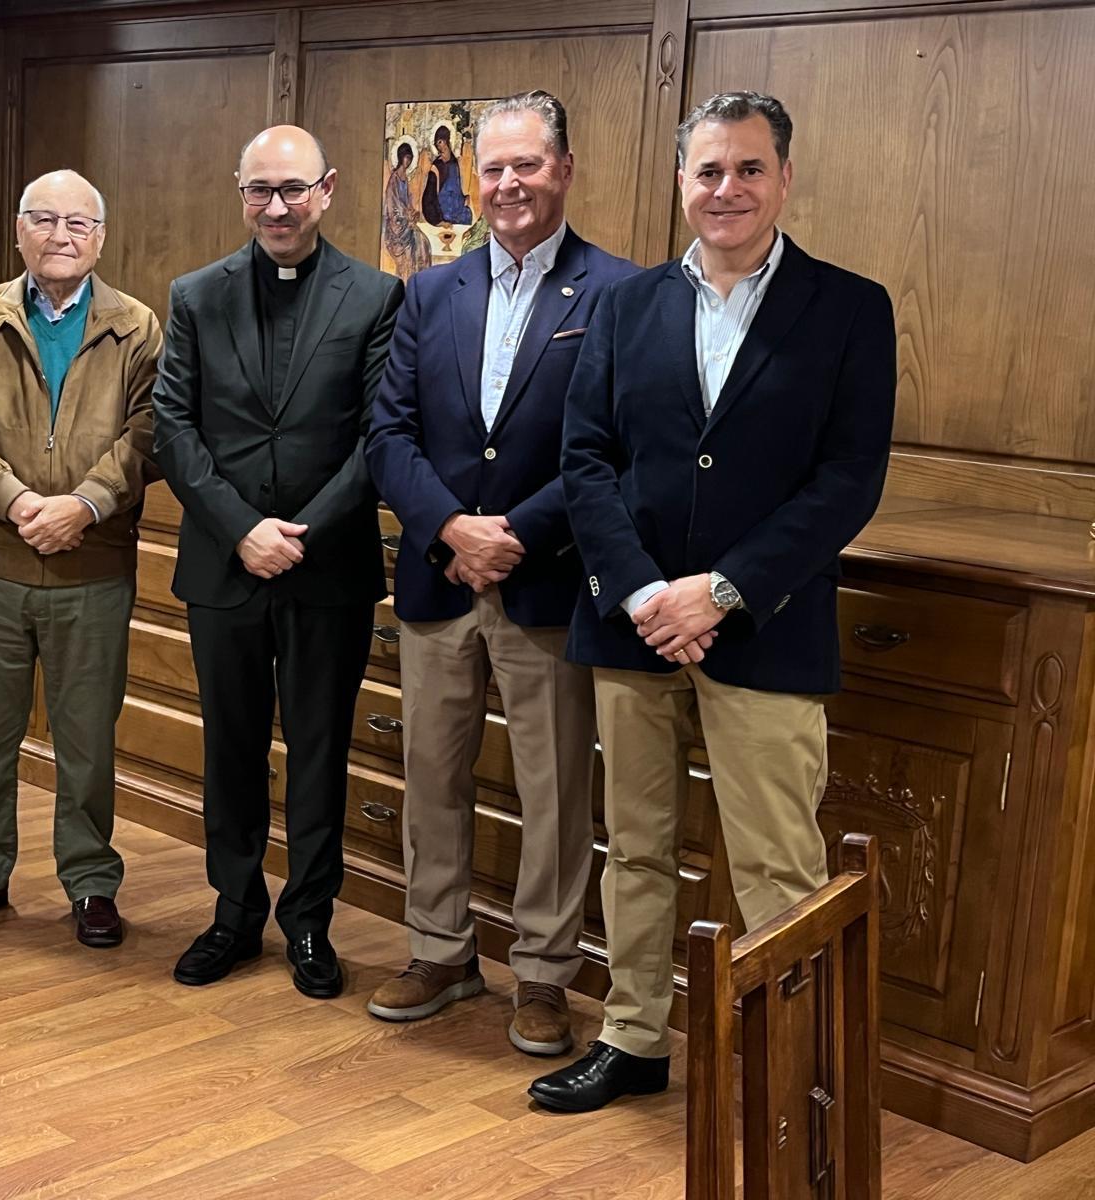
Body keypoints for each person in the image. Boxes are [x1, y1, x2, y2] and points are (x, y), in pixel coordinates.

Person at [532, 90, 897, 1111]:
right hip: (633, 620)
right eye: (707, 171)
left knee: (777, 865)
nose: (725, 189)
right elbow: (587, 457)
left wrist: (724, 592)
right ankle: (636, 1039)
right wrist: (646, 591)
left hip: (767, 629)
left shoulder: (848, 308)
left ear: (784, 178)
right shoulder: (624, 304)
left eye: (747, 169)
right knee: (636, 848)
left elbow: (846, 480)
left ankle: (791, 1066)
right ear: (679, 182)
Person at [365, 90, 637, 1055]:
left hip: (548, 581)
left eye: (527, 165)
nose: (508, 184)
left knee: (555, 789)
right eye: (492, 169)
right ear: (470, 180)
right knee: (430, 773)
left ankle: (545, 973)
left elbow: (614, 450)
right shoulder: (430, 292)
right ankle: (439, 950)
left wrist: (512, 531)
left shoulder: (618, 292)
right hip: (441, 582)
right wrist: (449, 529)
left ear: (563, 169)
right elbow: (388, 435)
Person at [152, 124, 403, 998]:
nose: (277, 207)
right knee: (230, 746)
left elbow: (381, 437)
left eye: (293, 189)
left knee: (319, 751)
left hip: (326, 569)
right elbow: (172, 428)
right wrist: (240, 529)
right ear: (240, 191)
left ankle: (310, 923)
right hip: (224, 566)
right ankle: (232, 912)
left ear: (327, 189)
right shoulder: (195, 294)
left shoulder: (376, 296)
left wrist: (297, 533)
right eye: (260, 190)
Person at [0, 170, 161, 948]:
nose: (62, 236)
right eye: (45, 220)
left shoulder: (138, 326)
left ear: (101, 238)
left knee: (87, 737)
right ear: (19, 230)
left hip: (94, 566)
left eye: (79, 224)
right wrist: (18, 502)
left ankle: (90, 880)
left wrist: (83, 504)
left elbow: (152, 432)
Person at [383, 140, 433, 279]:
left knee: (424, 243)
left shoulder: (406, 178)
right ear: (400, 157)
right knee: (412, 250)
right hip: (396, 227)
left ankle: (422, 280)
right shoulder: (394, 179)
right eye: (406, 157)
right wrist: (406, 215)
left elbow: (407, 203)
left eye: (410, 158)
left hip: (406, 223)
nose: (408, 161)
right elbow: (393, 205)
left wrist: (413, 212)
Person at [422, 124, 473, 225]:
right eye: (437, 143)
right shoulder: (436, 167)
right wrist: (438, 221)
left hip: (459, 212)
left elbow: (456, 189)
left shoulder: (454, 163)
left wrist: (464, 198)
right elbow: (428, 198)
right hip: (444, 214)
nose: (439, 146)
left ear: (448, 141)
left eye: (441, 142)